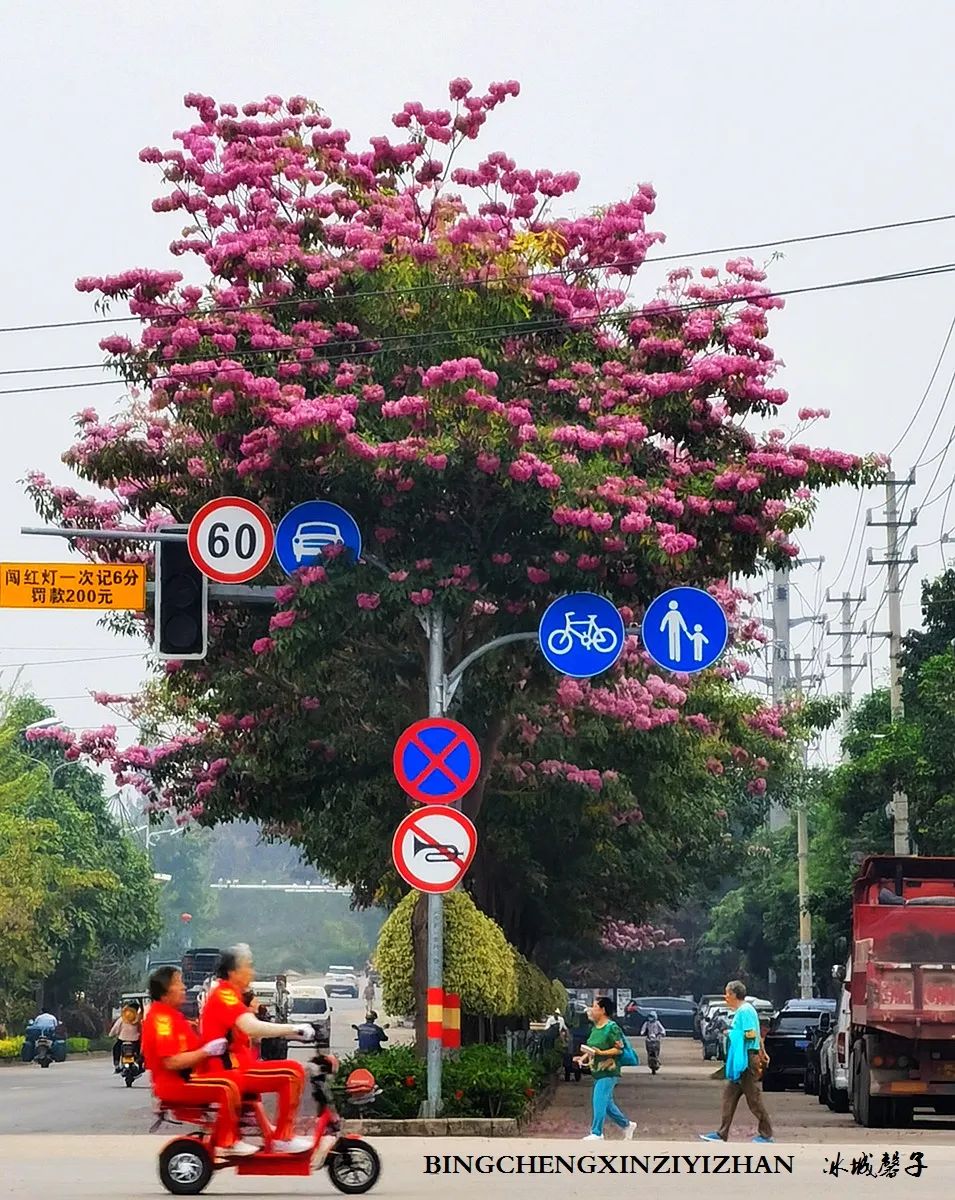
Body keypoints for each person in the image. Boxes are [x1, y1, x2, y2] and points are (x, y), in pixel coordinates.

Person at [200, 944, 315, 1153]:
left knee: (291, 1070)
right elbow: (252, 1027)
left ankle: (278, 1134)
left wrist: (294, 1033)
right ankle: (283, 1137)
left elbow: (255, 1031)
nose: (251, 972)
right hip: (229, 1070)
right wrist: (294, 1028)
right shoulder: (225, 996)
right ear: (233, 972)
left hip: (238, 1065)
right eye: (248, 966)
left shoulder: (231, 994)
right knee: (292, 1073)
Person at [141, 965, 257, 1157]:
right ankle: (228, 1142)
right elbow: (171, 1062)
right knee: (228, 1085)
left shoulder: (174, 1017)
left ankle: (239, 1122)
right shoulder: (162, 1020)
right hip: (175, 1084)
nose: (184, 987)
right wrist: (206, 1052)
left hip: (186, 1078)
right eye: (178, 983)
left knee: (237, 1077)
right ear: (165, 991)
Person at [700, 980, 774, 1144]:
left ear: (734, 994)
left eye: (727, 993)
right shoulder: (744, 1010)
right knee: (729, 1097)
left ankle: (766, 1134)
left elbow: (751, 1034)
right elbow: (757, 1034)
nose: (725, 996)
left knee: (754, 1099)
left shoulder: (745, 1011)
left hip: (746, 1060)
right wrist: (763, 1052)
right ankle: (721, 1133)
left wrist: (731, 1033)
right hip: (742, 1059)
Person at [573, 997, 637, 1142]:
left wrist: (601, 1053)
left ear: (602, 1010)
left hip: (609, 1070)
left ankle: (597, 1132)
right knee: (607, 1104)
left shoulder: (612, 1028)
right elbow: (592, 1048)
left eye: (594, 1007)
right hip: (597, 1071)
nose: (591, 1010)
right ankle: (627, 1125)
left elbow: (618, 1050)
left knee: (598, 1099)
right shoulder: (595, 1028)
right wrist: (582, 1058)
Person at [110, 1002, 143, 1072]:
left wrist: (111, 1035)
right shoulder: (138, 1019)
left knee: (116, 1048)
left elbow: (115, 1028)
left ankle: (116, 1065)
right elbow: (141, 1029)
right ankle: (140, 1065)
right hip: (135, 1040)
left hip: (122, 1040)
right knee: (140, 1051)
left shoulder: (122, 1018)